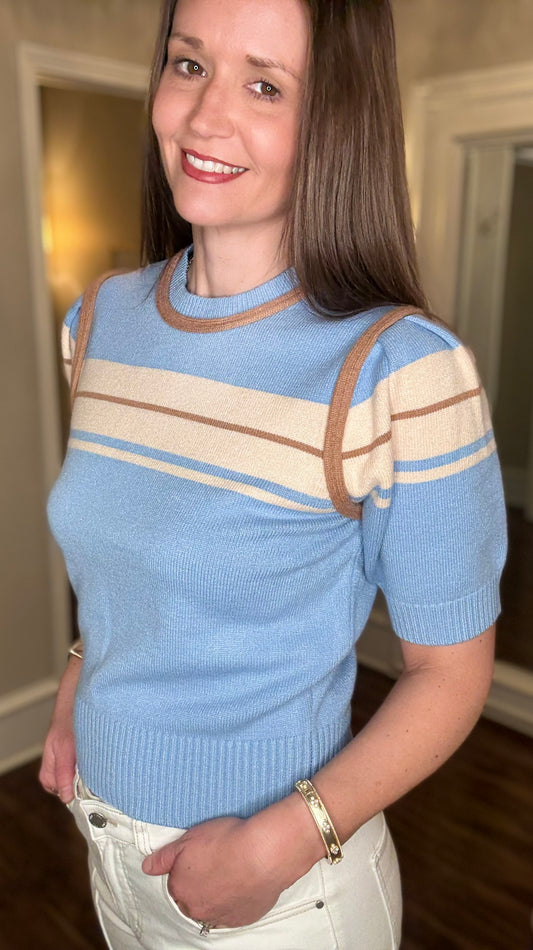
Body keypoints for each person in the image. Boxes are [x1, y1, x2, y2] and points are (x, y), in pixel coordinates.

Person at [40, 0, 507, 947]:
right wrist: (75, 693)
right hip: (107, 844)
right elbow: (126, 567)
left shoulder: (399, 370)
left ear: (336, 120)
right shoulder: (100, 322)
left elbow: (449, 674)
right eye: (188, 65)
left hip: (282, 894)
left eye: (264, 85)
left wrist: (279, 845)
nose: (205, 115)